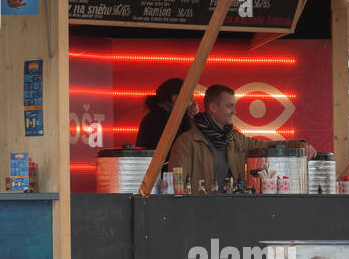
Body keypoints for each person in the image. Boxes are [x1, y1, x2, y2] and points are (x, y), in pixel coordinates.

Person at [170, 84, 316, 192]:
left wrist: (297, 144)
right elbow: (176, 187)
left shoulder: (235, 138)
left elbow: (264, 147)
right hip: (200, 215)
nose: (234, 111)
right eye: (230, 106)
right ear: (213, 108)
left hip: (233, 211)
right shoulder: (186, 142)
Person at [134, 77, 198, 158]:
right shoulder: (163, 119)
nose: (192, 103)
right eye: (190, 98)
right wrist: (192, 119)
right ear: (175, 99)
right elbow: (187, 146)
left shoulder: (157, 116)